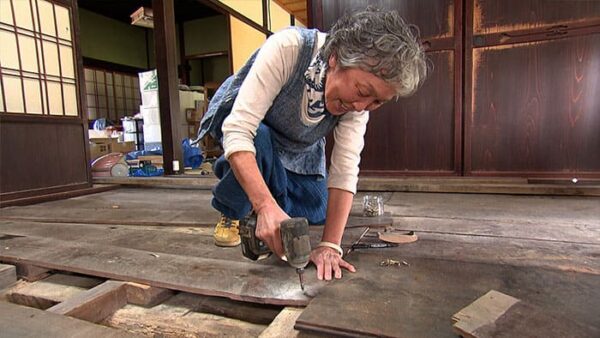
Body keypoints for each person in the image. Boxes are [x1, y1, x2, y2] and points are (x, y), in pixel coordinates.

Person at [197, 7, 428, 281]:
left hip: (296, 146)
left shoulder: (357, 107)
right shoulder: (289, 48)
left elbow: (344, 169)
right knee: (258, 139)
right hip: (251, 130)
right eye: (363, 92)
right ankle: (233, 209)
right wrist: (265, 207)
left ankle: (265, 198)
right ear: (335, 58)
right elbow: (238, 130)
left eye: (377, 102)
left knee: (317, 210)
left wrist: (331, 245)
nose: (361, 106)